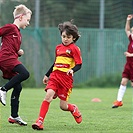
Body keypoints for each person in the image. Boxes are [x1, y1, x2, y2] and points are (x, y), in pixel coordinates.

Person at [32, 21, 82, 130]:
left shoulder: (74, 49)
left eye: (68, 37)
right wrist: (47, 74)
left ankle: (73, 109)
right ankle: (39, 121)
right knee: (48, 96)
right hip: (55, 76)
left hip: (66, 79)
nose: (65, 39)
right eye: (63, 36)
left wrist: (72, 70)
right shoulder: (58, 48)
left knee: (63, 106)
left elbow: (79, 64)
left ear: (73, 38)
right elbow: (55, 63)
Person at [0, 4, 32, 125]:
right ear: (20, 17)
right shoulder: (10, 27)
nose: (28, 23)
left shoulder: (18, 33)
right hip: (6, 59)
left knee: (18, 87)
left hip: (10, 58)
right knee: (25, 73)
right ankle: (3, 89)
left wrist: (18, 52)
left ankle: (14, 116)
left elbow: (11, 46)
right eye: (27, 20)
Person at [112, 14, 133, 108]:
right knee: (123, 82)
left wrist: (131, 55)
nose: (131, 33)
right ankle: (119, 101)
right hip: (128, 65)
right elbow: (127, 30)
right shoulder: (131, 40)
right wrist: (128, 20)